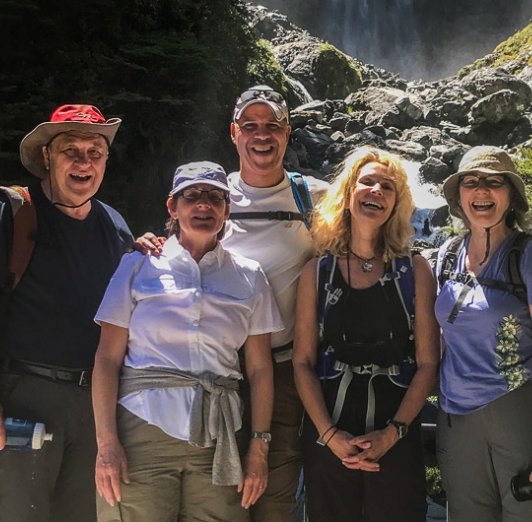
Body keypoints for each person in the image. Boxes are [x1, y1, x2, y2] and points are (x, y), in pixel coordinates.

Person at [140, 86, 327, 522]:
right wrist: (148, 241)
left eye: (272, 126)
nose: (261, 136)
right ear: (233, 133)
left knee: (274, 497)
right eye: (250, 126)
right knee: (213, 496)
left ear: (287, 132)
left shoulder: (314, 199)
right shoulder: (213, 195)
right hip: (210, 370)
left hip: (280, 370)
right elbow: (180, 250)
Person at [92, 161, 282, 521]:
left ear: (227, 209)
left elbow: (259, 368)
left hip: (220, 436)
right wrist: (107, 445)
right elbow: (106, 360)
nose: (203, 205)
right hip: (143, 432)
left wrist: (259, 447)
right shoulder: (137, 266)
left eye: (214, 197)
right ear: (172, 207)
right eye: (192, 196)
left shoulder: (250, 276)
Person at [0, 104, 134, 521]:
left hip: (93, 406)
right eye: (70, 150)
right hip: (24, 396)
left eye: (95, 151)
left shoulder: (115, 227)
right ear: (46, 157)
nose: (84, 161)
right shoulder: (13, 213)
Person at [292, 146, 440, 521]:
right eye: (367, 182)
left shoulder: (416, 270)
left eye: (387, 187)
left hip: (396, 432)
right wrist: (329, 435)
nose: (376, 191)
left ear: (396, 204)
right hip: (330, 431)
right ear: (347, 194)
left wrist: (392, 434)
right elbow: (303, 362)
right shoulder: (317, 273)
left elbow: (427, 362)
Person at [434, 145, 532, 521]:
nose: (482, 191)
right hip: (455, 416)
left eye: (495, 183)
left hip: (517, 409)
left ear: (511, 196)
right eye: (472, 182)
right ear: (459, 196)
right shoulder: (445, 255)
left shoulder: (525, 255)